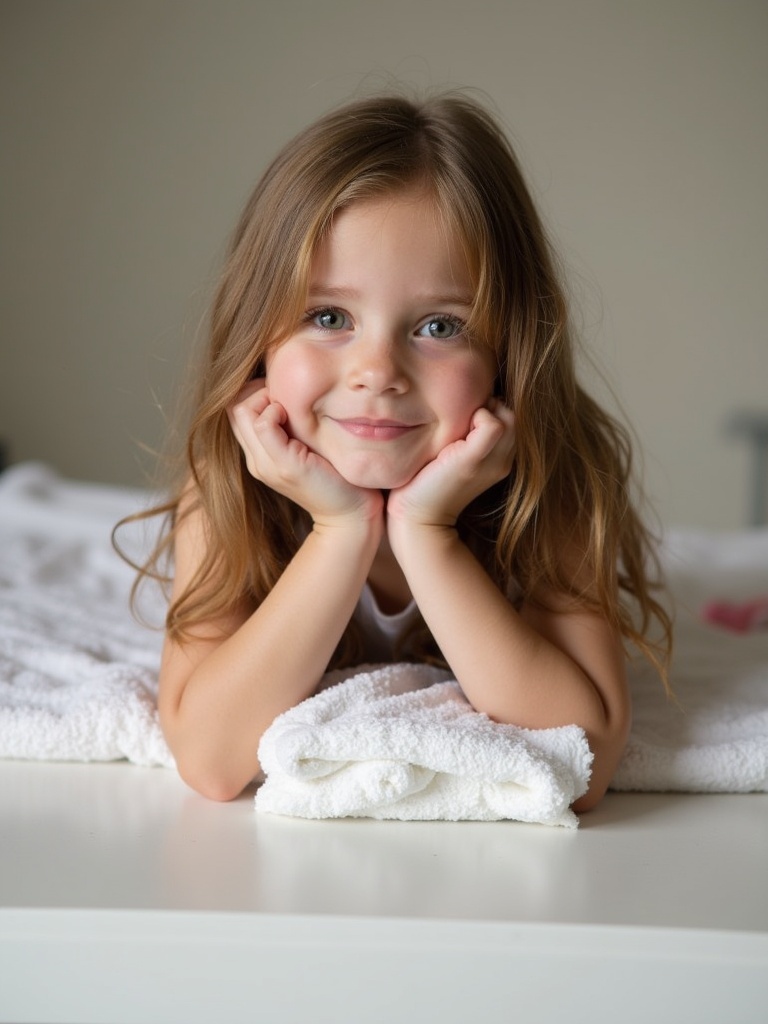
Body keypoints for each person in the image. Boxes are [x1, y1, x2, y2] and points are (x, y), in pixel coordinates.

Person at [126, 92, 672, 810]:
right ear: (259, 335)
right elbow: (211, 758)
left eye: (440, 326)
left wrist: (427, 533)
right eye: (328, 317)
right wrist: (341, 530)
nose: (378, 371)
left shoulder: (554, 478)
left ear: (508, 349)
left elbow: (588, 756)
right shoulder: (228, 485)